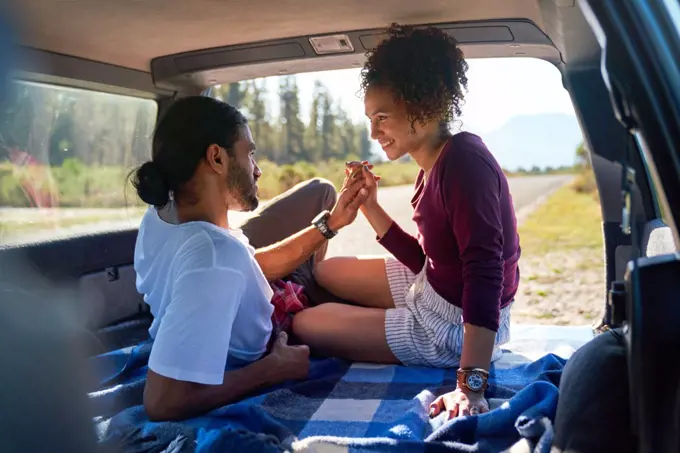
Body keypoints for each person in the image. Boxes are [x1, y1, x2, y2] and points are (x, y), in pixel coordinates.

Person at [292, 23, 521, 418]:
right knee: (326, 273)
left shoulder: (465, 163)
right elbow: (428, 260)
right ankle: (364, 321)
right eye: (370, 118)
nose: (373, 131)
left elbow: (484, 272)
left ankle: (382, 328)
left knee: (306, 325)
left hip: (450, 325)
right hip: (433, 286)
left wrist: (471, 384)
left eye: (382, 116)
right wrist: (369, 205)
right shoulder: (434, 163)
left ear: (424, 105)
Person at [130, 95, 368, 421]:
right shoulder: (215, 259)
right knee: (358, 297)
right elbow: (161, 402)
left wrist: (333, 223)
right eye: (250, 154)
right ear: (216, 158)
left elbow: (246, 267)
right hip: (283, 322)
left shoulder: (162, 211)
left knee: (322, 194)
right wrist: (272, 369)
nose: (256, 171)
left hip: (255, 287)